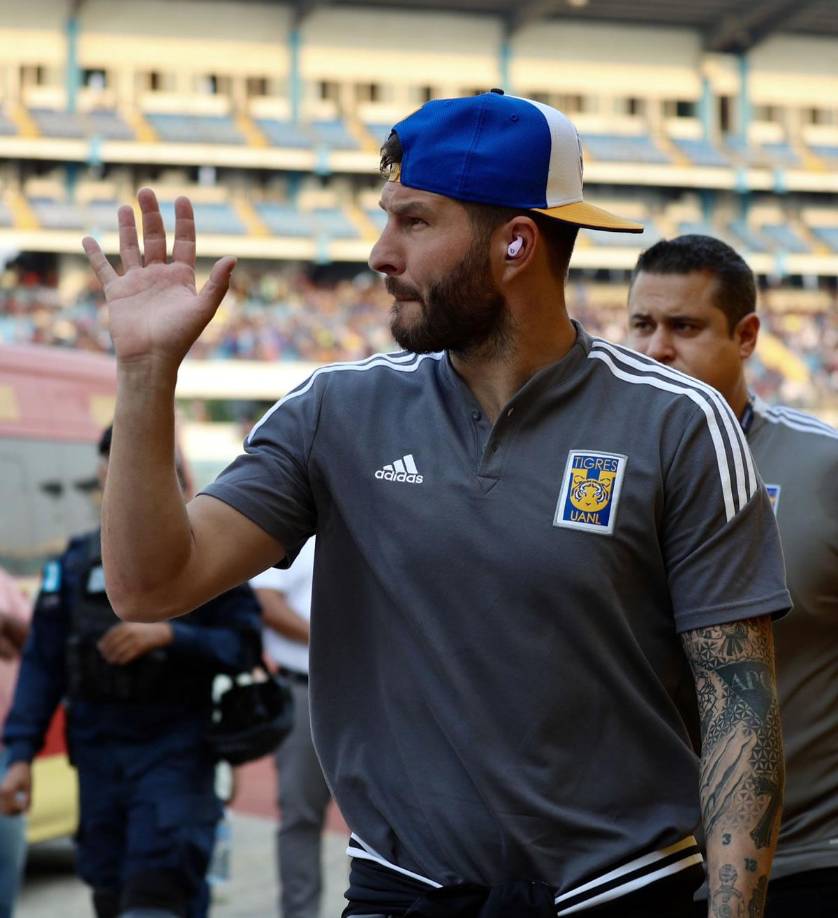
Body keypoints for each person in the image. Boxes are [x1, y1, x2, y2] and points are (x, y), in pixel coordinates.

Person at [81, 91, 790, 917]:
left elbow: (738, 701)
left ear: (516, 242)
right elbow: (149, 587)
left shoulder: (677, 422)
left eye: (414, 223)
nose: (381, 255)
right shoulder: (334, 412)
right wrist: (144, 371)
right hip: (406, 893)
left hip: (623, 891)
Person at [626, 234, 838, 918]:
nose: (657, 348)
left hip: (802, 866)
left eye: (684, 327)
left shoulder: (823, 471)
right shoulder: (586, 474)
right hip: (629, 870)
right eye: (642, 324)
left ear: (746, 335)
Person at [0, 425, 263, 918]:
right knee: (110, 894)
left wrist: (170, 635)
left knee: (159, 895)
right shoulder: (74, 566)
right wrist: (19, 754)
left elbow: (243, 647)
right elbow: (42, 666)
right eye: (115, 468)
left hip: (174, 755)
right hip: (98, 760)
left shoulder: (204, 555)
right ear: (103, 476)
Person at [251, 537, 331, 918]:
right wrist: (341, 645)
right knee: (301, 815)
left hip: (380, 690)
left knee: (396, 819)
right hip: (307, 693)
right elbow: (267, 604)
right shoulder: (295, 532)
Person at [0, 569, 31, 918]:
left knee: (4, 875)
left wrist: (7, 624)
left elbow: (39, 647)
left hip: (5, 753)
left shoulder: (5, 585)